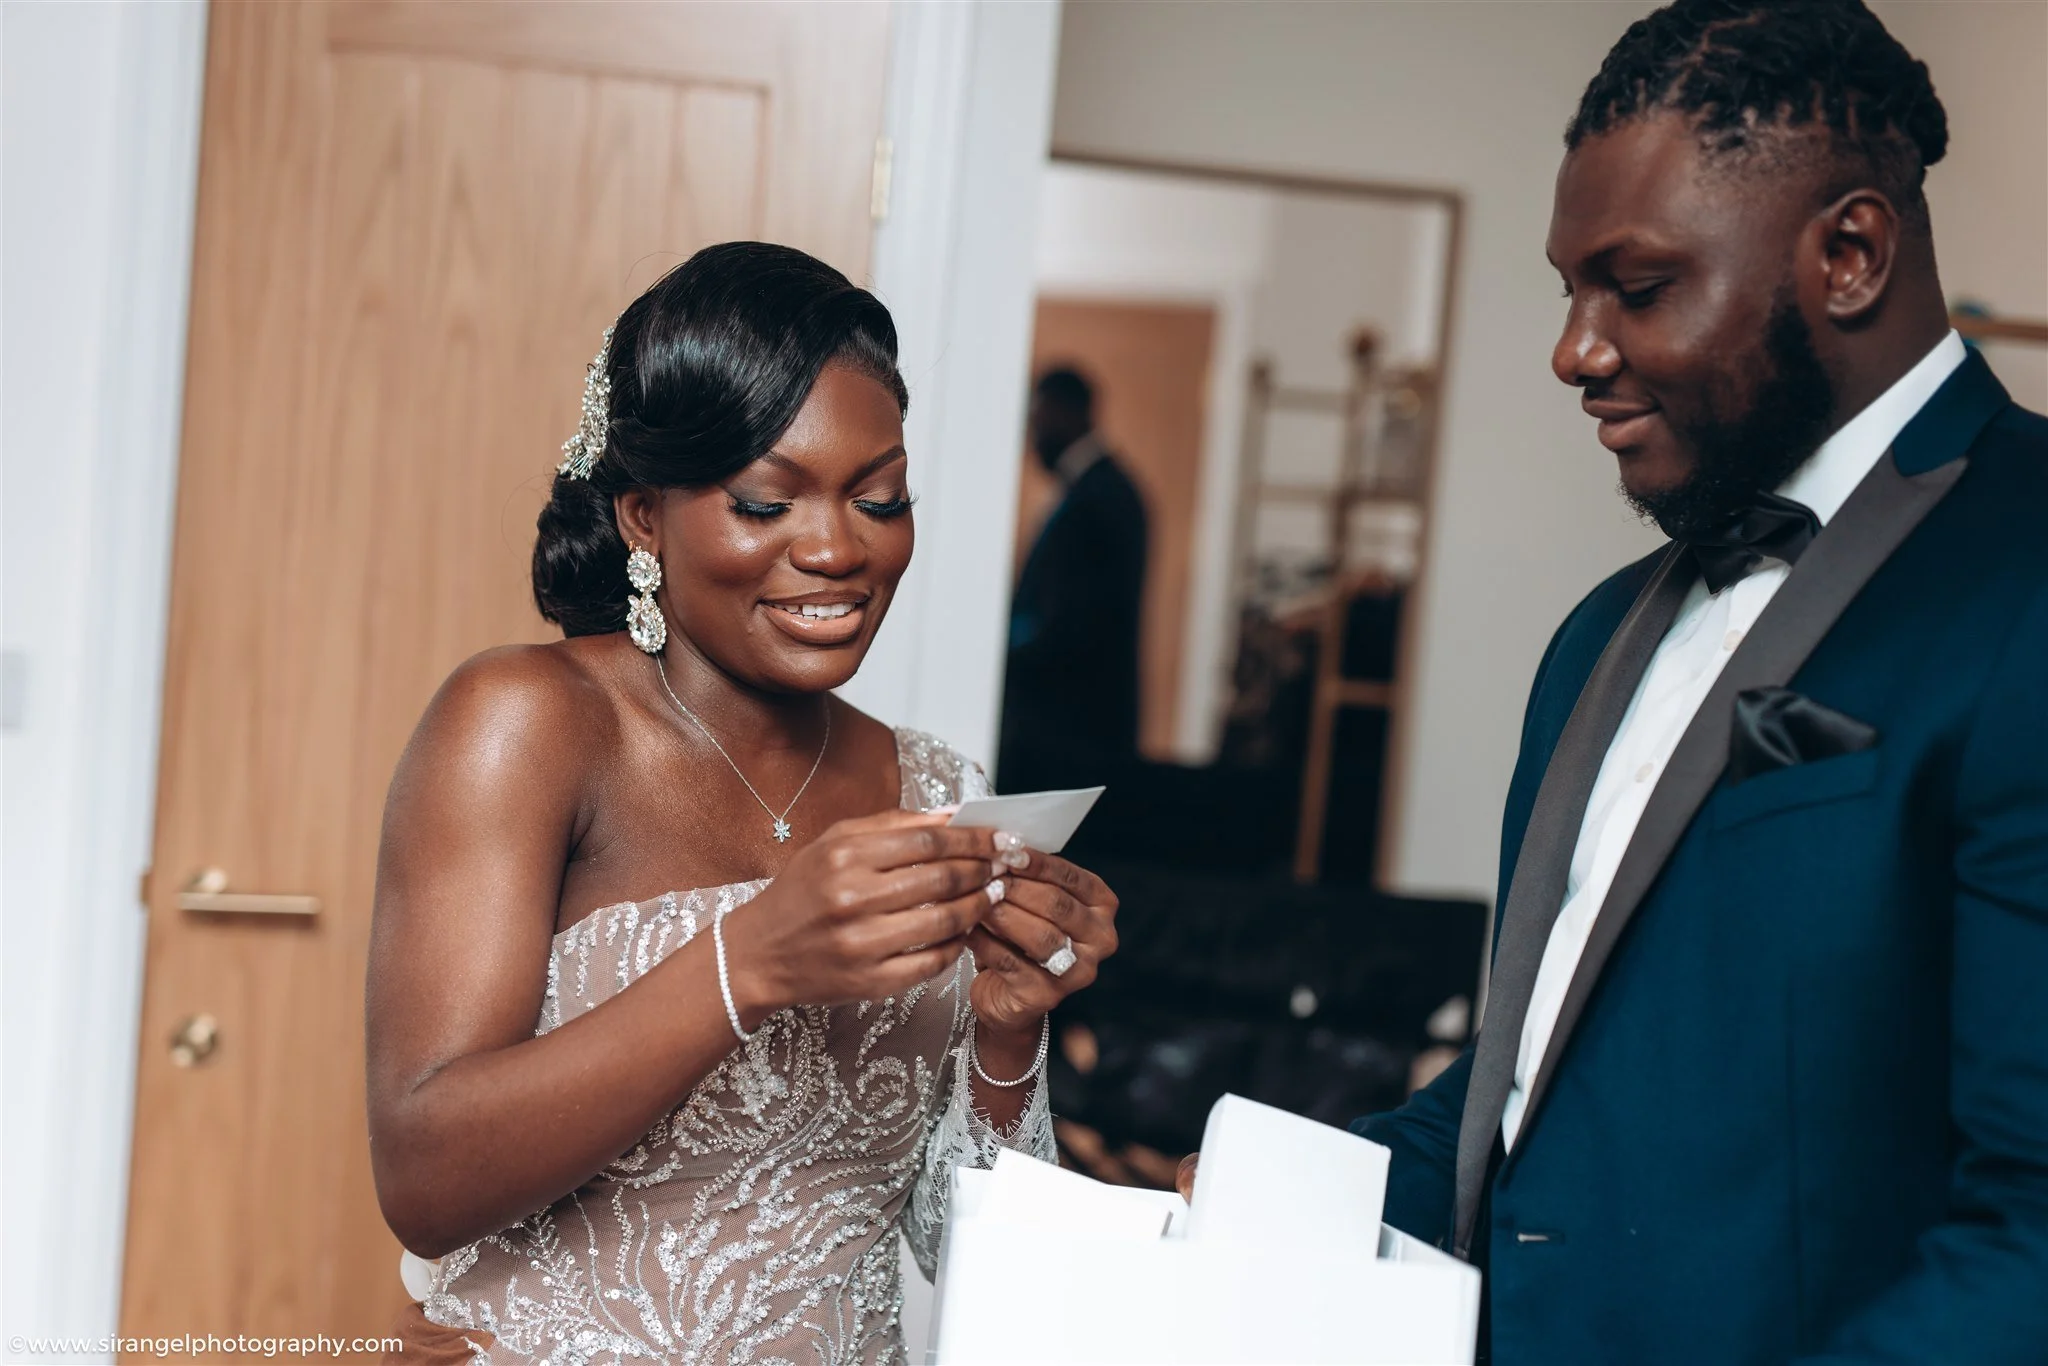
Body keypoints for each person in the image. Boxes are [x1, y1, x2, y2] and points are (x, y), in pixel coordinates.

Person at [1189, 2, 2048, 1360]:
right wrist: (1244, 1210)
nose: (1574, 350)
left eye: (1636, 287)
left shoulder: (2029, 572)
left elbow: (2033, 1234)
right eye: (1567, 289)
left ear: (1850, 253)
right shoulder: (1599, 636)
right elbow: (1536, 1087)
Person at [365, 243, 1120, 1365]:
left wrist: (1009, 1031)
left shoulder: (937, 790)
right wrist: (751, 958)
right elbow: (424, 1177)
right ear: (640, 515)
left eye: (880, 497)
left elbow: (960, 1253)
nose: (835, 548)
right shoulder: (528, 722)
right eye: (766, 502)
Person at [998, 367, 1148, 790]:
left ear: (1066, 413)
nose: (1033, 435)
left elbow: (1070, 622)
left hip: (1072, 726)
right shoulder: (1096, 490)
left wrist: (1002, 654)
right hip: (1072, 723)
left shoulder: (1101, 498)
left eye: (1038, 418)